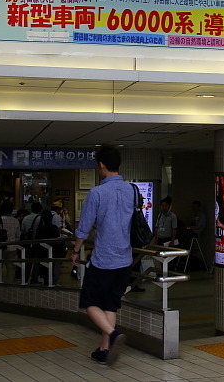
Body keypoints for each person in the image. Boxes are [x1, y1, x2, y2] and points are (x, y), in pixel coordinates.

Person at [72, 145, 133, 366]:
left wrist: (76, 250)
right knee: (110, 305)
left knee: (89, 302)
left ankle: (113, 334)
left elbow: (84, 227)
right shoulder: (131, 190)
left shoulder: (97, 193)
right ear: (120, 165)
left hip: (103, 260)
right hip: (125, 260)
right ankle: (105, 349)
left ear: (101, 166)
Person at [0, 200, 21, 284]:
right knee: (11, 269)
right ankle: (10, 286)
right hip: (12, 248)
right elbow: (18, 236)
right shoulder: (15, 221)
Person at [35, 210, 61, 286]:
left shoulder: (40, 228)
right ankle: (52, 282)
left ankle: (46, 281)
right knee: (52, 266)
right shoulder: (54, 228)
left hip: (42, 251)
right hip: (53, 251)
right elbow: (57, 239)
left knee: (44, 267)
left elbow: (37, 239)